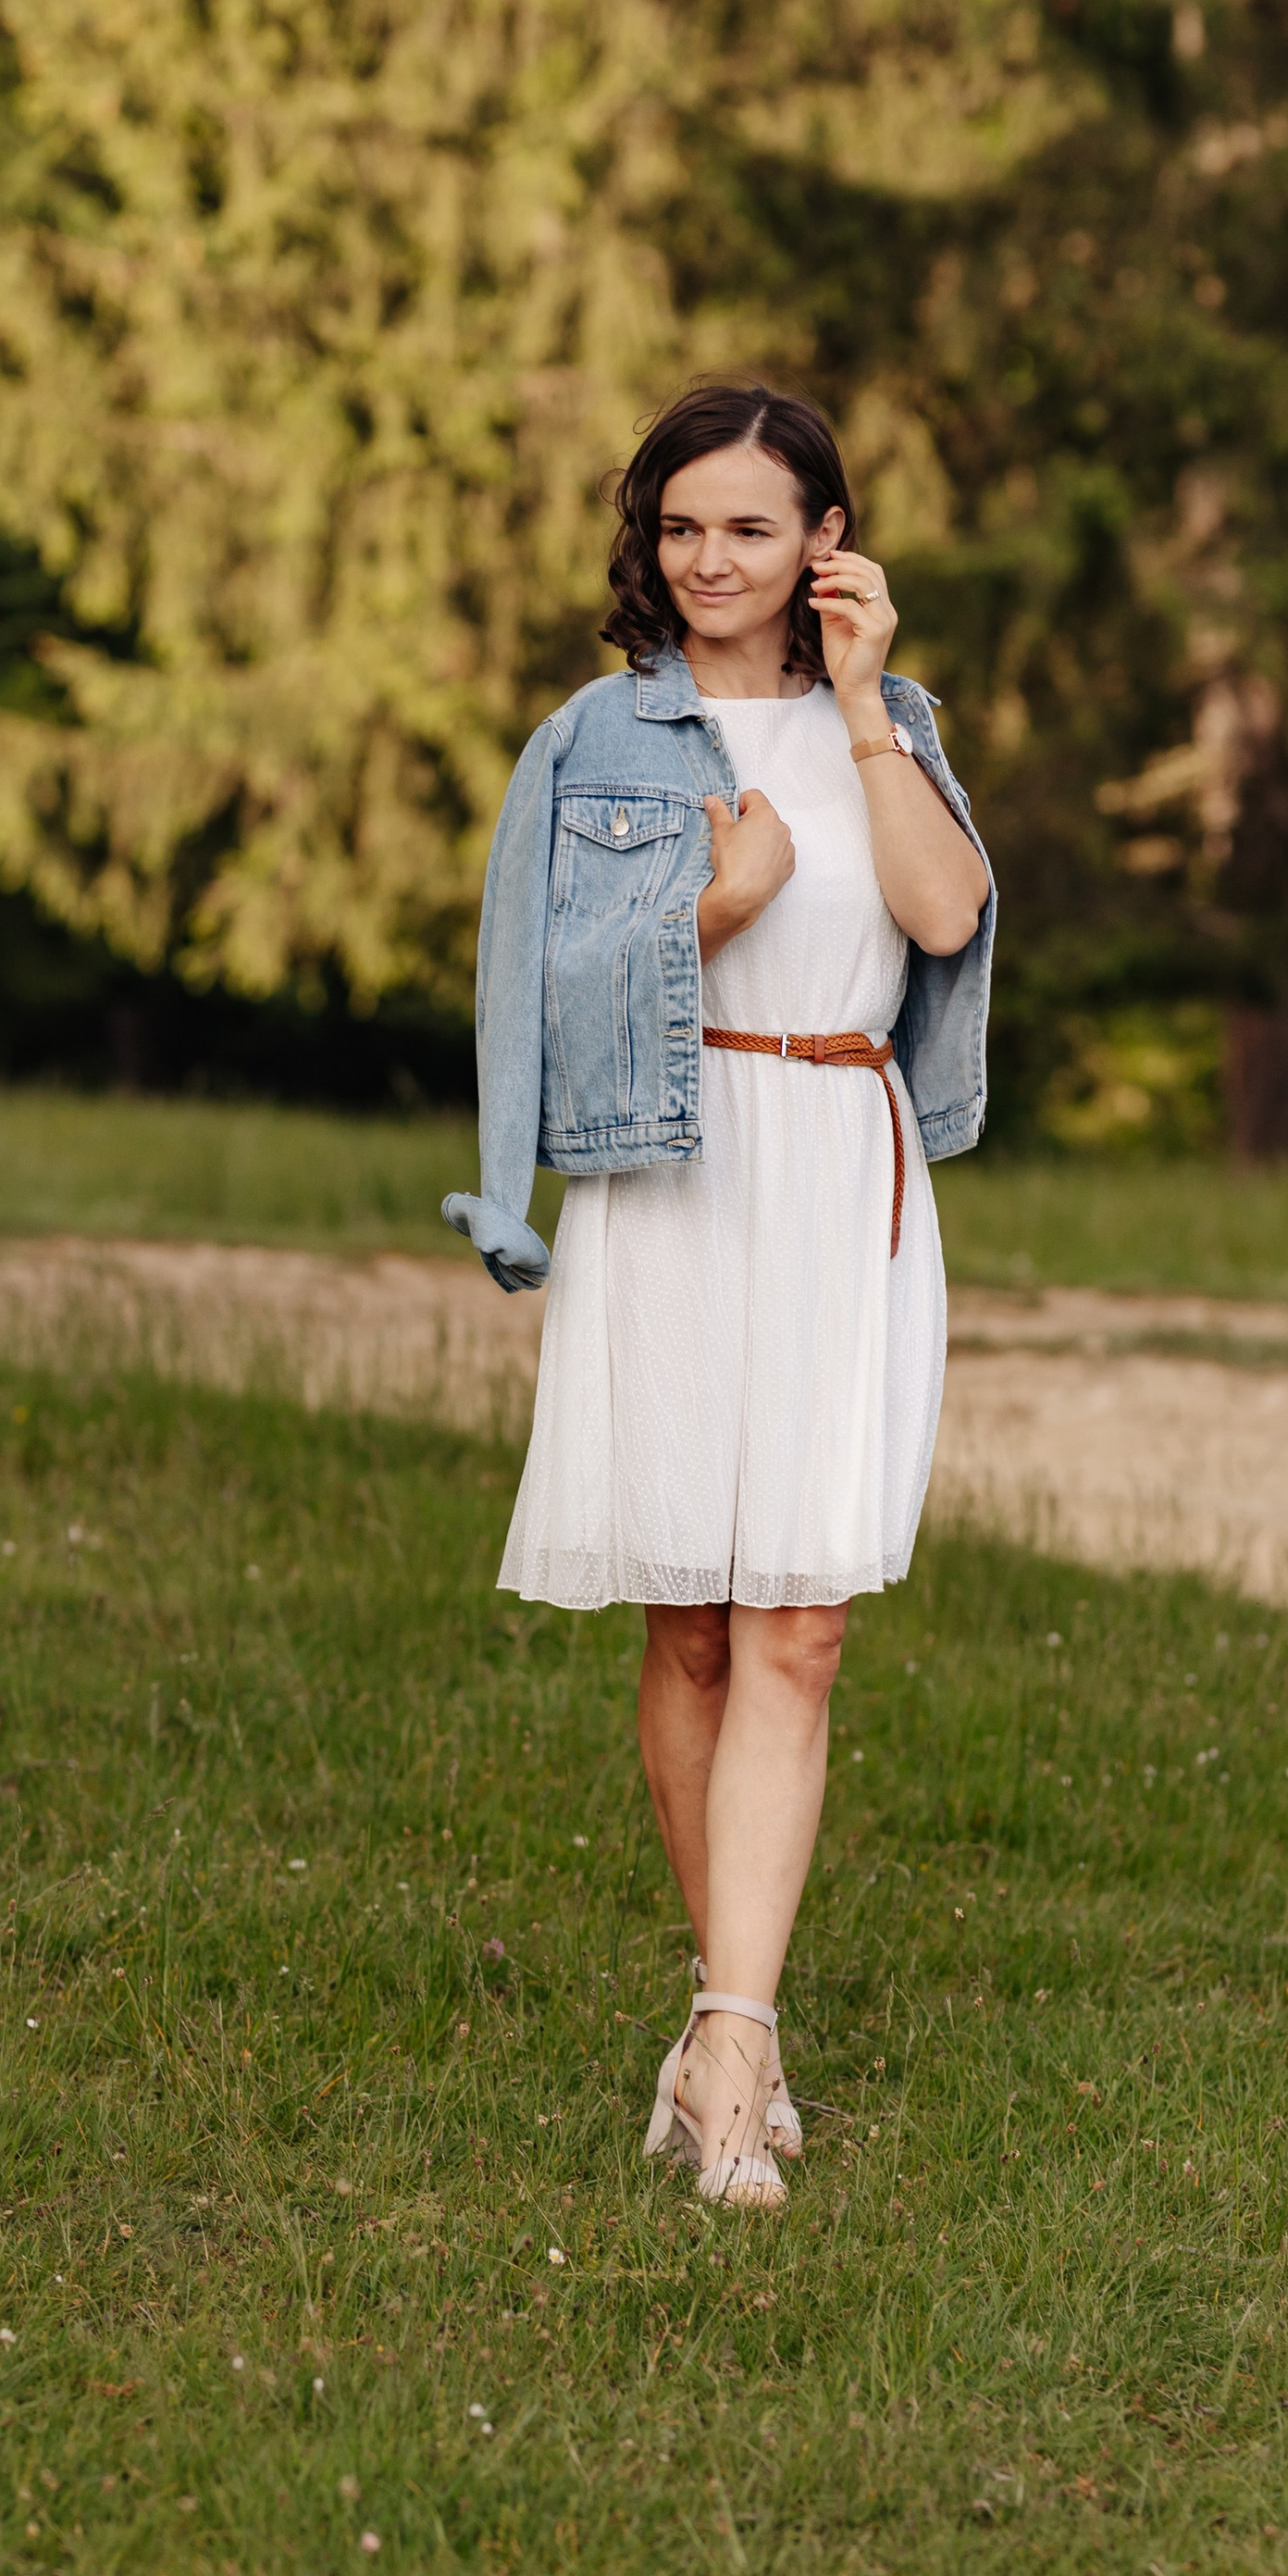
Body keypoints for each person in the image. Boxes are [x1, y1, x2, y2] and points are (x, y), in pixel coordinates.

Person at [442, 380, 995, 2205]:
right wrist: (704, 906)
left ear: (822, 544)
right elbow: (531, 992)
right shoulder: (593, 741)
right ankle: (727, 2023)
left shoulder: (886, 723)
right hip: (669, 1179)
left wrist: (852, 711)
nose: (708, 560)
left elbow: (935, 921)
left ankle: (728, 2044)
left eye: (750, 527)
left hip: (841, 1172)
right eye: (681, 526)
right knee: (688, 1619)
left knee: (802, 1621)